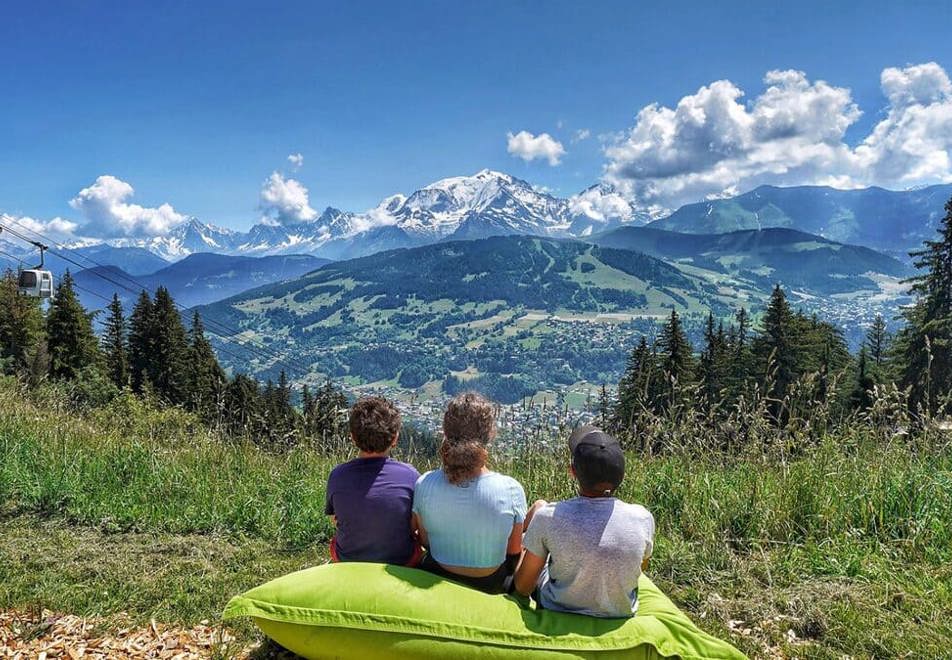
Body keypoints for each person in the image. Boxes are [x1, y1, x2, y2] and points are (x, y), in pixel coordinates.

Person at [514, 425, 655, 618]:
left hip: (557, 607)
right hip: (619, 612)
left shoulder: (547, 517)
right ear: (621, 475)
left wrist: (522, 547)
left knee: (536, 518)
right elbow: (641, 566)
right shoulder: (643, 518)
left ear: (573, 472)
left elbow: (523, 587)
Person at [412, 392, 527, 594]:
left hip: (438, 573)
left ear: (446, 432)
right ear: (489, 434)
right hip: (491, 584)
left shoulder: (424, 484)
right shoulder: (511, 489)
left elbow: (425, 541)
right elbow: (513, 552)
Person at [325, 396, 422, 565]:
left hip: (348, 560)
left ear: (353, 438)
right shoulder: (411, 475)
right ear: (395, 439)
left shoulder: (337, 475)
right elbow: (415, 524)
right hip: (401, 562)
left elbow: (335, 519)